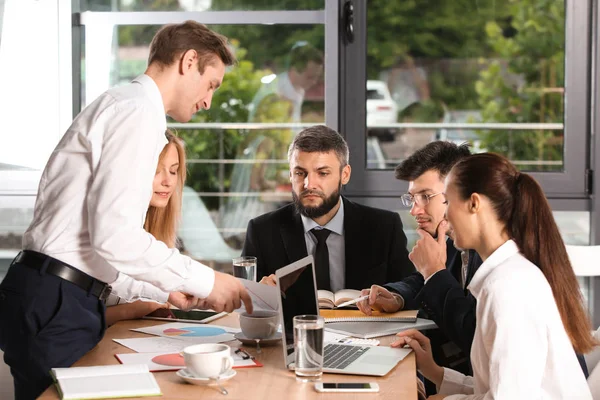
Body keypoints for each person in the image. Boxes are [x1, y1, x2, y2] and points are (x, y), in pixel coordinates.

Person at [0, 21, 252, 400]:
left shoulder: (124, 105)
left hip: (54, 293)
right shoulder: (137, 113)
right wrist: (207, 282)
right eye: (211, 84)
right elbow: (115, 237)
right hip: (56, 300)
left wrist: (170, 287)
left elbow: (94, 245)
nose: (208, 101)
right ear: (188, 61)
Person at [391, 153, 594, 399]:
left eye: (449, 202)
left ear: (474, 204)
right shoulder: (504, 275)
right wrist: (435, 372)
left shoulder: (508, 286)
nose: (446, 215)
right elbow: (495, 389)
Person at [357, 141, 478, 387]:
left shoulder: (490, 253)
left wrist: (434, 272)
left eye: (425, 196)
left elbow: (474, 336)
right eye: (412, 198)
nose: (414, 210)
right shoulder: (454, 240)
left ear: (459, 192)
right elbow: (423, 281)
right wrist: (396, 296)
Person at [242, 125, 415, 291]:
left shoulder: (384, 227)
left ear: (344, 175)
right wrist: (259, 295)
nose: (309, 184)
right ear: (290, 174)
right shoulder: (261, 231)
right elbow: (244, 304)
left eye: (322, 173)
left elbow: (408, 288)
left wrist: (396, 297)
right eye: (300, 173)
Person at [222, 42, 324, 246]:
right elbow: (276, 136)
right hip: (267, 163)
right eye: (310, 76)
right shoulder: (277, 94)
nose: (313, 82)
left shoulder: (297, 89)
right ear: (295, 70)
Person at [104, 130, 184, 326]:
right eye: (156, 171)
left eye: (173, 171)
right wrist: (132, 310)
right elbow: (75, 319)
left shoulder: (156, 235)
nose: (168, 181)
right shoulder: (108, 229)